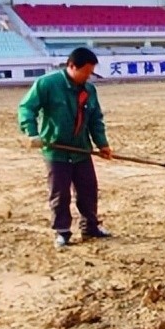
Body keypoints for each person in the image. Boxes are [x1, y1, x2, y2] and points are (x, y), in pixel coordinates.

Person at [18, 47, 115, 249]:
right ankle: (62, 232)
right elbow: (27, 108)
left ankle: (90, 227)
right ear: (71, 66)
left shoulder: (89, 90)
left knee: (88, 191)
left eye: (91, 73)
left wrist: (102, 144)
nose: (88, 77)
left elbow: (95, 119)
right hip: (56, 151)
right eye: (85, 72)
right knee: (60, 193)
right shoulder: (47, 84)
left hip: (81, 150)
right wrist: (32, 133)